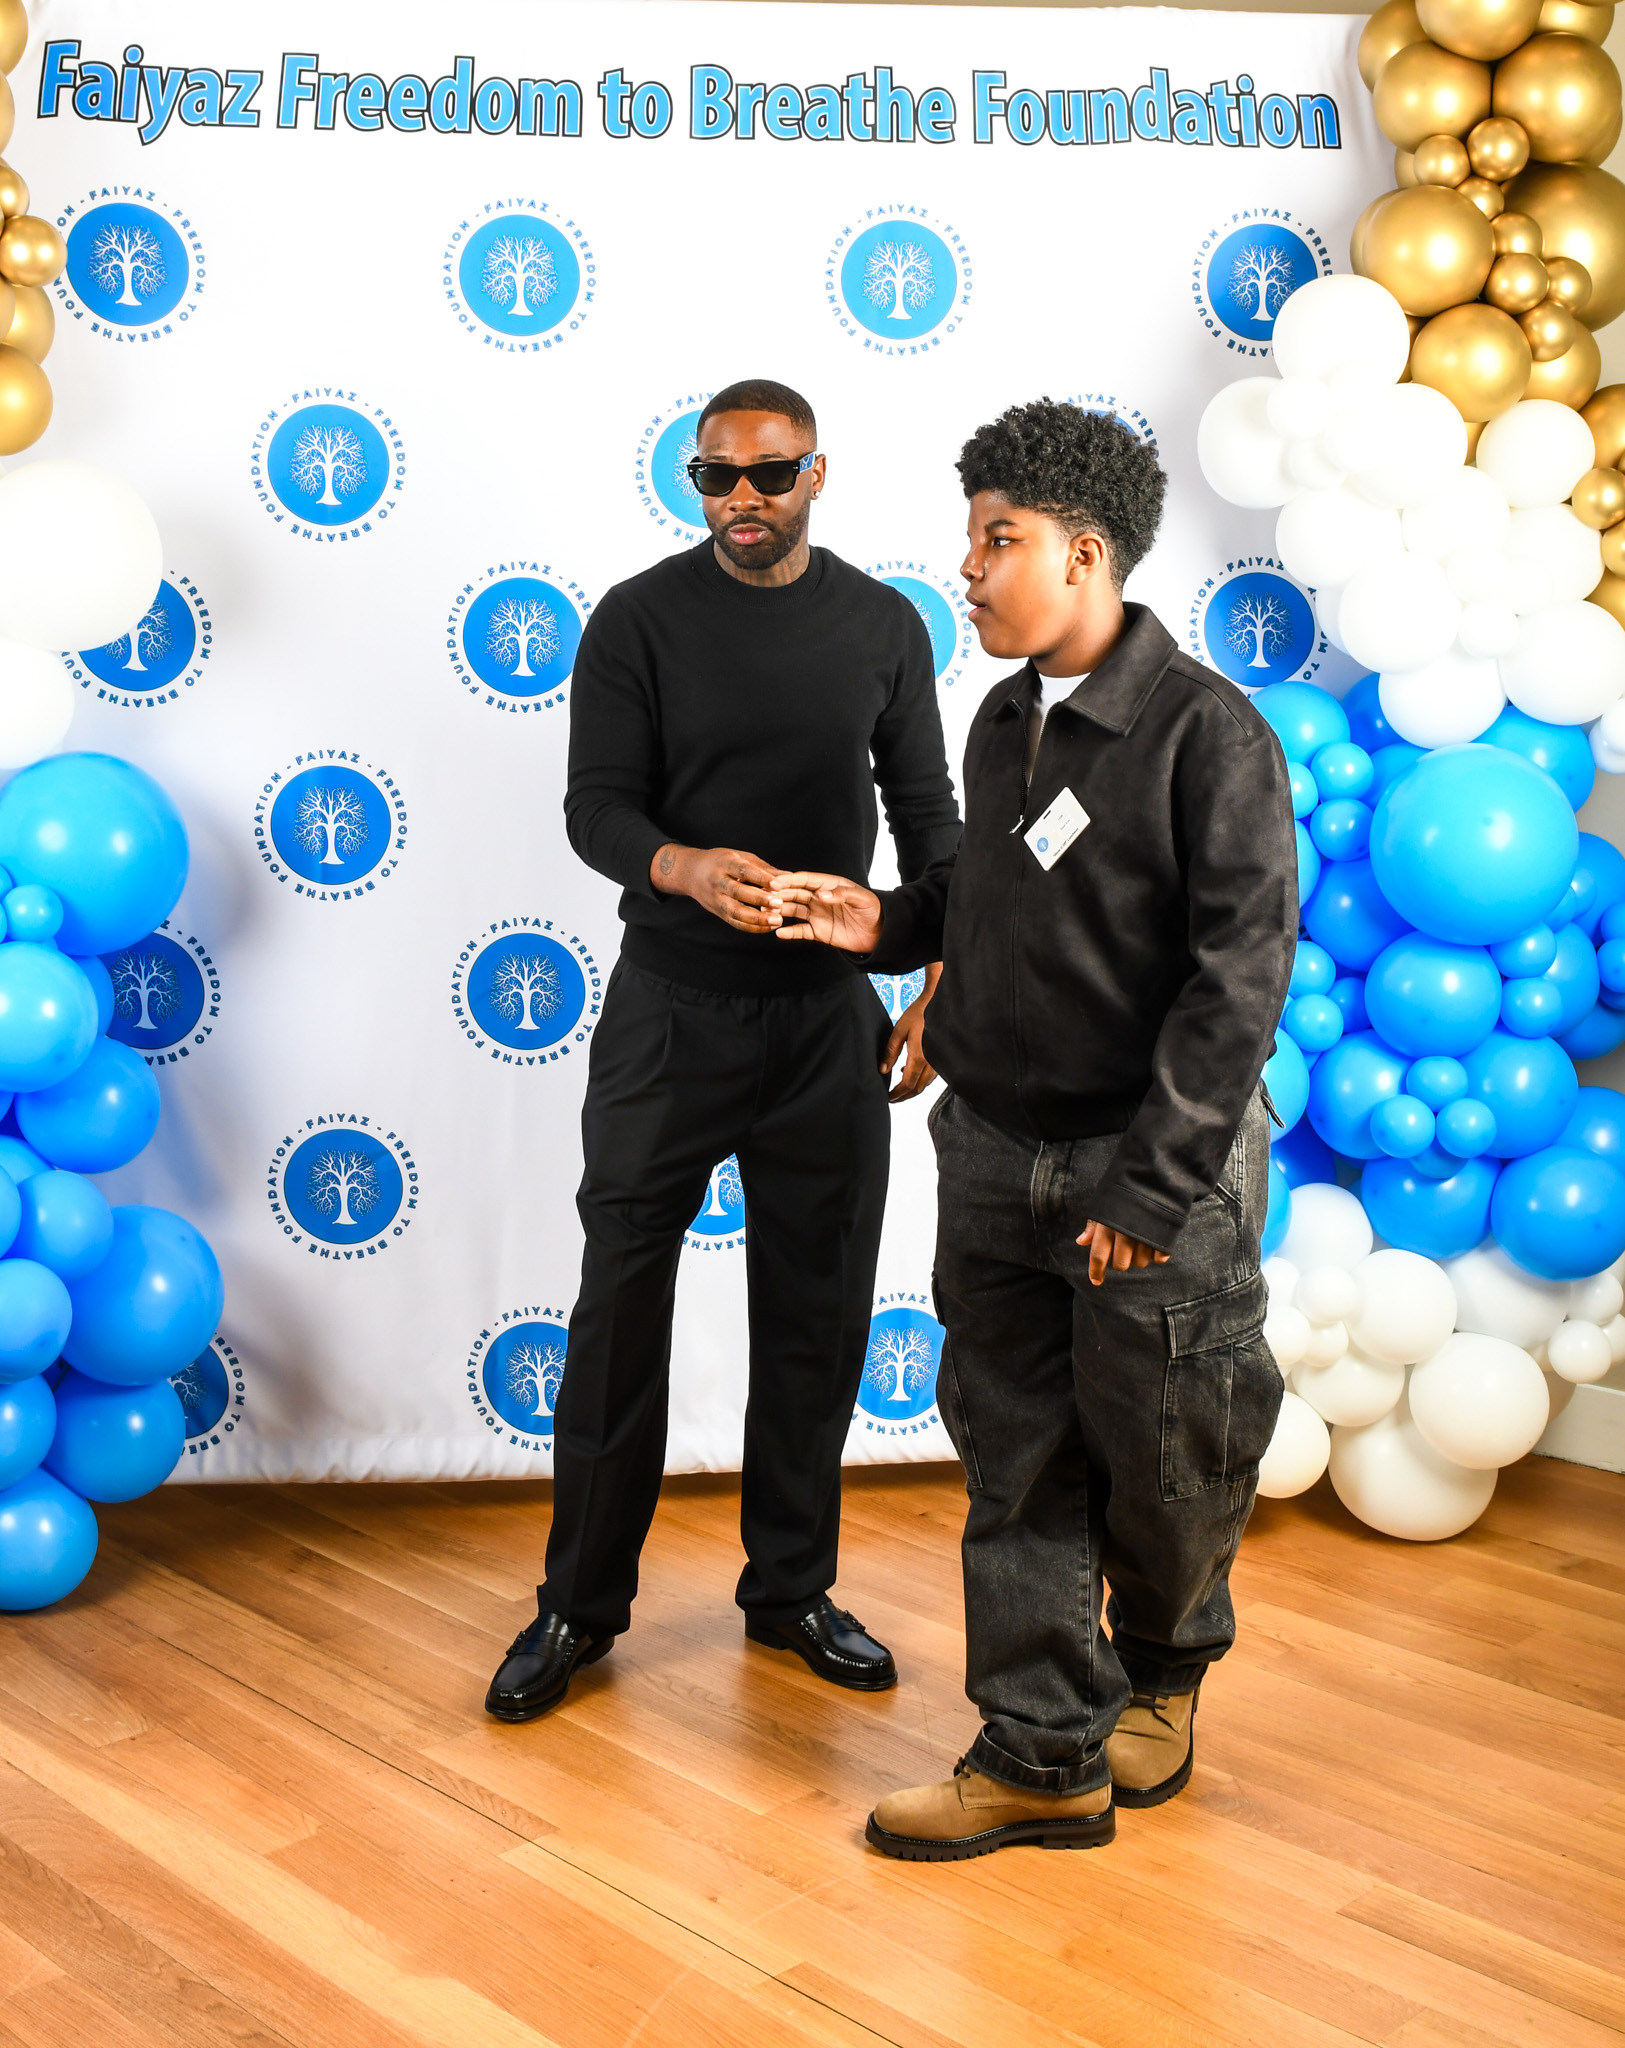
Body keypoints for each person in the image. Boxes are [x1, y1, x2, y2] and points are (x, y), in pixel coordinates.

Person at [768, 399, 1297, 1858]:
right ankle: (1041, 1751)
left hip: (1149, 1166)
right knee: (1015, 1459)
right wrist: (883, 925)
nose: (970, 568)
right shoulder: (1003, 719)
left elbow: (1236, 980)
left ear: (1083, 554)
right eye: (970, 540)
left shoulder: (1207, 734)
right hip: (995, 1152)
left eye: (997, 541)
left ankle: (1165, 1669)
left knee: (1170, 1451)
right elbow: (984, 905)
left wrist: (1154, 1183)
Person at [484, 377, 961, 1723]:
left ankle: (791, 1590)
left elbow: (931, 822)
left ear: (818, 474)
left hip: (825, 1023)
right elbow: (596, 808)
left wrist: (941, 980)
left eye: (770, 472)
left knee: (818, 1316)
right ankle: (577, 1606)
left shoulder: (881, 626)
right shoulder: (636, 619)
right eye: (716, 476)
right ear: (694, 481)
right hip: (669, 1014)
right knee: (617, 1313)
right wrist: (682, 867)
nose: (742, 498)